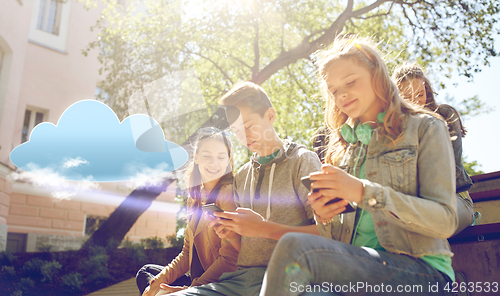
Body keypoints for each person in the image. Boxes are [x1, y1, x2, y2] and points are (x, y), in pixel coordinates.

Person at [259, 36, 458, 295]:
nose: (341, 95)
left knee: (294, 247)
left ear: (377, 74)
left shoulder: (425, 127)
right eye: (333, 90)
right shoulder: (342, 147)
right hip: (358, 272)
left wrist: (364, 193)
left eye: (350, 82)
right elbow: (338, 239)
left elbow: (445, 221)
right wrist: (325, 216)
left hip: (422, 272)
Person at [170, 81, 322, 296]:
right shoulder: (241, 176)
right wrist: (230, 234)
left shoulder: (302, 161)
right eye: (236, 130)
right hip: (238, 280)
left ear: (270, 116)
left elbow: (328, 234)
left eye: (249, 126)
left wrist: (263, 228)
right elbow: (240, 248)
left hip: (287, 277)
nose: (244, 136)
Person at [136, 128, 239, 296]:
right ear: (196, 158)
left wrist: (191, 288)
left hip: (217, 283)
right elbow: (187, 253)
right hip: (196, 279)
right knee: (147, 274)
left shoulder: (227, 193)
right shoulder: (196, 197)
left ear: (228, 160)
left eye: (221, 157)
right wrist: (158, 282)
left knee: (154, 284)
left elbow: (230, 259)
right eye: (207, 156)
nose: (214, 163)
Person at [393, 63, 474, 235]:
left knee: (426, 225)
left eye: (420, 94)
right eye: (407, 97)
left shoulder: (445, 115)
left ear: (426, 88)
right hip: (415, 204)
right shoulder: (396, 129)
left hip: (454, 199)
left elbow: (451, 170)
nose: (415, 101)